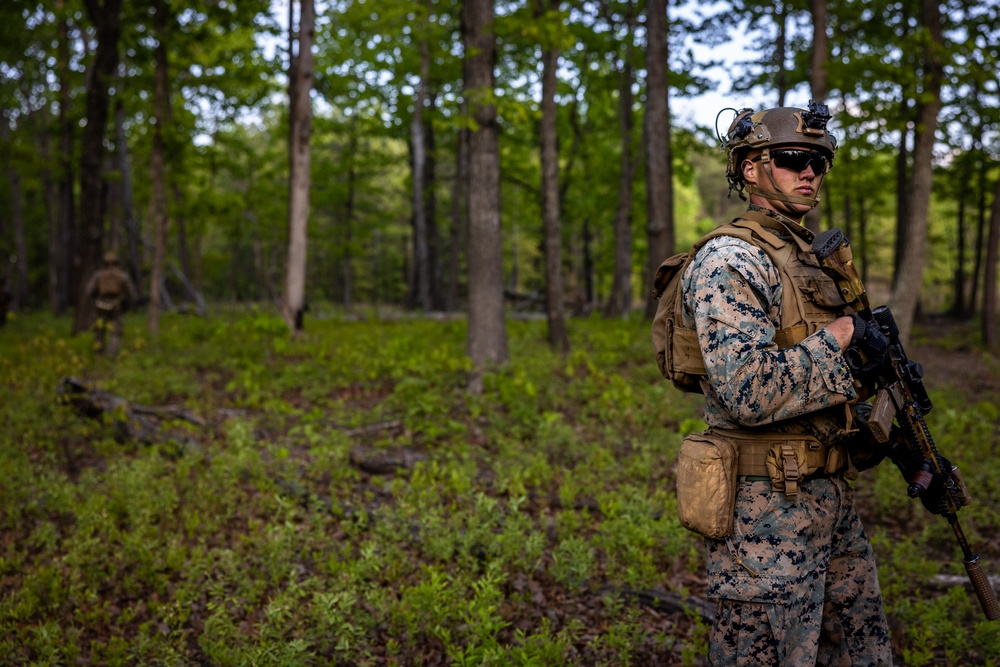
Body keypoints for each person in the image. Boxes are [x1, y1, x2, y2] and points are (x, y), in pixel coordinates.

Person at [671, 103, 892, 665]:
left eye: (820, 161)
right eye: (795, 158)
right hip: (763, 516)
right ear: (751, 168)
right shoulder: (732, 259)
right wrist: (840, 340)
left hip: (828, 500)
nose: (811, 172)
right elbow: (748, 391)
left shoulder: (808, 257)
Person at [85, 251, 138, 358]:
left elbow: (89, 291)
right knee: (116, 332)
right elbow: (131, 293)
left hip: (100, 305)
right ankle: (112, 356)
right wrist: (133, 302)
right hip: (116, 306)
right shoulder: (122, 275)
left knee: (99, 331)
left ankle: (99, 354)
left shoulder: (98, 275)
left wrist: (96, 295)